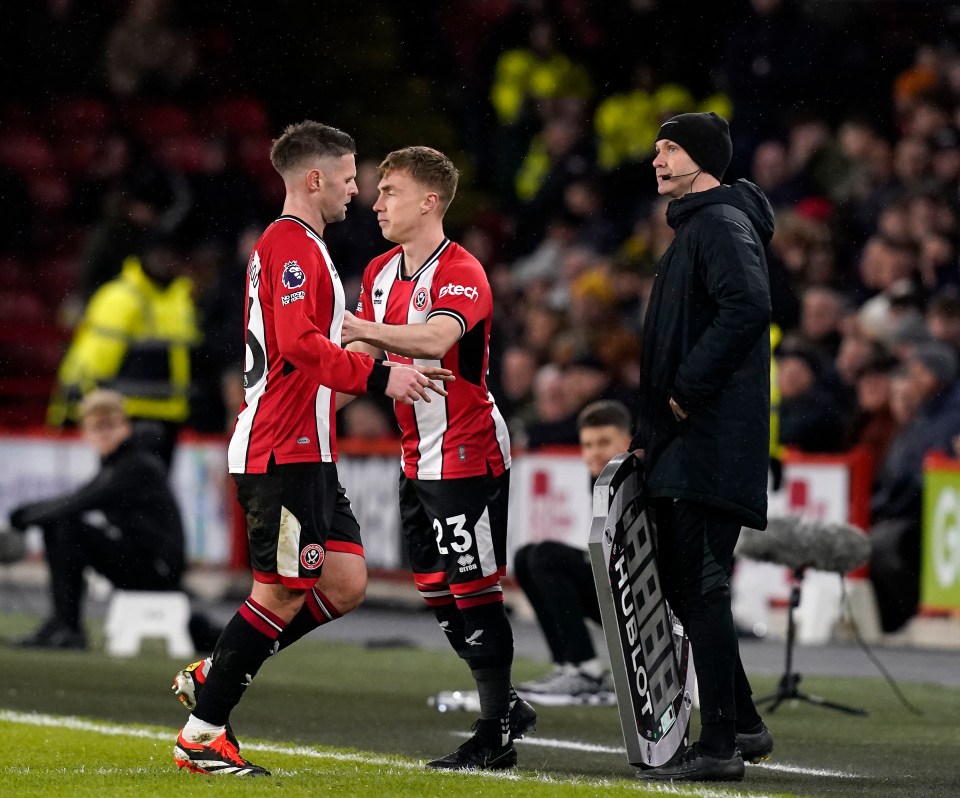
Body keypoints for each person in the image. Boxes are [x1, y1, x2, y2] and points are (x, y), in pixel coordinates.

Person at [171, 121, 449, 777]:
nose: (358, 191)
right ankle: (202, 735)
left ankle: (214, 674)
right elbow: (299, 347)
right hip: (281, 447)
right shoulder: (291, 246)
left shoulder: (302, 248)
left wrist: (375, 353)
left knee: (345, 581)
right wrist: (383, 375)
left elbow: (308, 366)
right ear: (316, 178)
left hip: (307, 444)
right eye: (351, 178)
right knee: (280, 592)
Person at [340, 146, 536, 772]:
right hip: (415, 452)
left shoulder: (462, 272)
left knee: (474, 588)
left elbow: (435, 339)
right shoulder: (377, 273)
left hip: (466, 451)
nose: (376, 203)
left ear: (429, 202)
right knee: (434, 587)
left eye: (389, 191)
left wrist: (358, 329)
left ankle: (495, 730)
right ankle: (506, 702)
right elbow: (372, 360)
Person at [633, 112, 774, 782]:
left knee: (699, 586)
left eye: (671, 147)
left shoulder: (717, 224)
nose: (657, 158)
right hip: (693, 441)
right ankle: (741, 721)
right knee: (695, 591)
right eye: (657, 148)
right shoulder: (704, 223)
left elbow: (748, 305)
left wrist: (683, 394)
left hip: (707, 442)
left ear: (704, 157)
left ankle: (718, 742)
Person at [6, 390, 186, 650]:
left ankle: (67, 626)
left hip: (157, 569)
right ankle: (63, 624)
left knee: (66, 527)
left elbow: (80, 501)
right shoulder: (121, 463)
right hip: (146, 562)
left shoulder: (136, 465)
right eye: (95, 428)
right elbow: (80, 497)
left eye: (110, 425)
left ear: (125, 426)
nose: (103, 433)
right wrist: (28, 514)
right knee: (63, 526)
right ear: (86, 433)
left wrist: (23, 516)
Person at [47, 228, 200, 468]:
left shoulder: (181, 300)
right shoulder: (119, 298)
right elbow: (91, 362)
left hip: (171, 417)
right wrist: (69, 408)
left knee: (154, 495)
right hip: (126, 417)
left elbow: (190, 358)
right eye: (161, 254)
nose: (168, 261)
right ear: (144, 256)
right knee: (126, 492)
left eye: (173, 255)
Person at [513, 400, 633, 704]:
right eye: (588, 444)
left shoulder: (637, 480)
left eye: (604, 442)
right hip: (619, 583)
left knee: (545, 556)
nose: (594, 452)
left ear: (627, 442)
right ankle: (568, 665)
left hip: (643, 600)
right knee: (526, 556)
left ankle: (587, 671)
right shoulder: (600, 478)